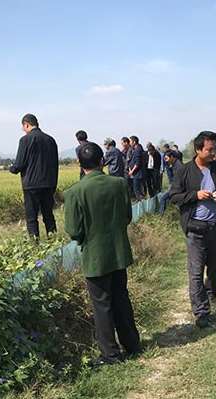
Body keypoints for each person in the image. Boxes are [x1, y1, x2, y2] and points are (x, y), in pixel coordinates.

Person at [64, 142, 141, 366]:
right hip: (119, 253)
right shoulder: (118, 184)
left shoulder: (75, 192)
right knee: (121, 299)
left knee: (102, 305)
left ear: (80, 164)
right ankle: (133, 345)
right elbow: (127, 216)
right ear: (102, 161)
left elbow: (74, 230)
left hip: (95, 257)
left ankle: (111, 354)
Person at [170, 131, 216, 328]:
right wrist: (196, 195)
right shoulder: (184, 171)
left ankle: (210, 294)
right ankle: (201, 312)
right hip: (195, 228)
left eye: (215, 148)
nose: (214, 153)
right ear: (198, 149)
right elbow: (174, 196)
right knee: (195, 272)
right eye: (209, 149)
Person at [10, 114, 59, 239]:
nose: (23, 130)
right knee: (48, 215)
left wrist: (12, 168)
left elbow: (19, 164)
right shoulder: (50, 140)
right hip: (49, 184)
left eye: (23, 127)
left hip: (31, 185)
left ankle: (35, 244)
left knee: (32, 217)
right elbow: (55, 164)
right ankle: (53, 241)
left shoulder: (25, 140)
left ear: (26, 124)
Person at [159, 150, 183, 214]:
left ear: (172, 157)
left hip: (178, 188)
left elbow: (180, 179)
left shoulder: (178, 165)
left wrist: (173, 189)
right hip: (176, 187)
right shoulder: (173, 164)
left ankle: (161, 216)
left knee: (163, 199)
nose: (165, 160)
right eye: (165, 159)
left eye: (166, 158)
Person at [128, 136, 145, 201]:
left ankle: (141, 203)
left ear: (134, 142)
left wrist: (131, 171)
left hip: (138, 174)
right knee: (137, 190)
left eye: (130, 141)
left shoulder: (138, 150)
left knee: (137, 190)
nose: (130, 143)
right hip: (136, 173)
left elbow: (137, 163)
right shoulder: (136, 149)